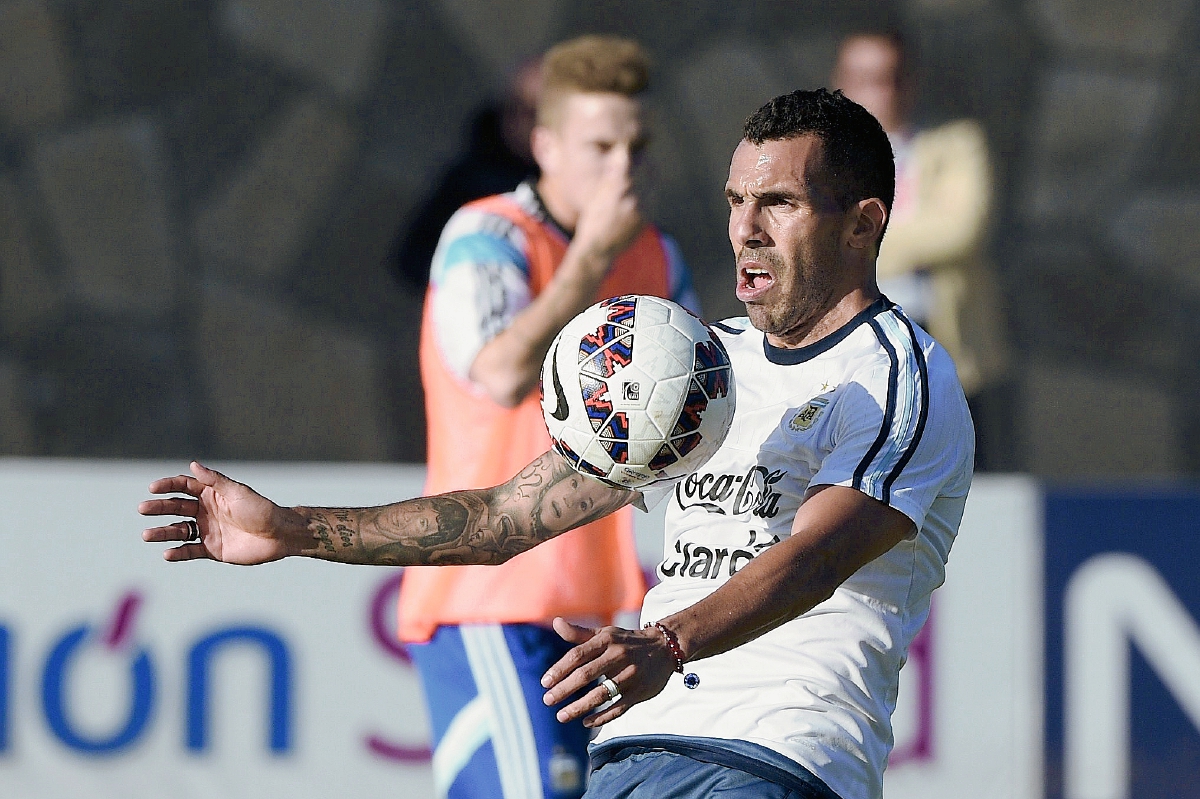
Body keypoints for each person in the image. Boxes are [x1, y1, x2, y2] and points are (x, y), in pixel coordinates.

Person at [140, 88, 974, 799]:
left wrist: (668, 639)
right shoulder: (698, 369)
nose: (745, 229)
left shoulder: (899, 375)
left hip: (776, 756)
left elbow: (816, 559)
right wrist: (292, 529)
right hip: (635, 749)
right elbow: (506, 517)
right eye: (733, 202)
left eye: (780, 203)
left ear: (864, 224)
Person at [407, 35, 700, 799]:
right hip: (488, 597)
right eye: (600, 145)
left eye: (636, 145)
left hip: (603, 608)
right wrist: (588, 262)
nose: (622, 166)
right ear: (544, 145)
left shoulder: (659, 257)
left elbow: (698, 419)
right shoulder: (486, 235)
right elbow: (500, 374)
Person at [832, 30, 1008, 468]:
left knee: (963, 485)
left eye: (891, 77)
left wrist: (854, 240)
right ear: (841, 84)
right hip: (851, 350)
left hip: (946, 343)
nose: (881, 91)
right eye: (866, 77)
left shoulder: (955, 144)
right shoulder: (824, 161)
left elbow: (960, 229)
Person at [387, 58, 543, 292]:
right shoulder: (469, 179)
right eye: (514, 108)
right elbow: (414, 256)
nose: (521, 123)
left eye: (534, 113)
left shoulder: (566, 186)